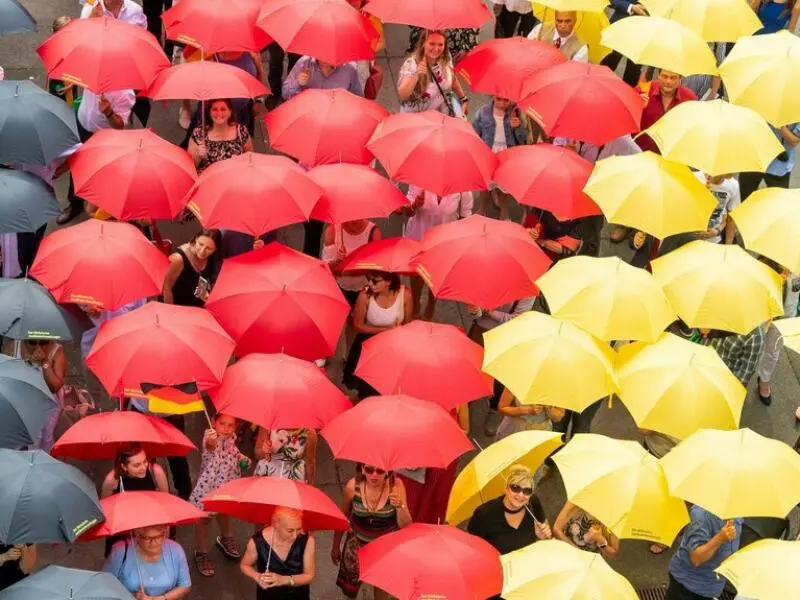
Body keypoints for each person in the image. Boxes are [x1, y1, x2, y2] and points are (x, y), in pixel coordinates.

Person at [333, 464, 412, 599]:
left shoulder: (396, 486)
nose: (374, 475)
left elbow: (406, 525)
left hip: (384, 550)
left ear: (388, 471)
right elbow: (342, 518)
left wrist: (400, 506)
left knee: (381, 591)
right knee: (350, 590)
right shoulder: (352, 487)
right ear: (362, 468)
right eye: (369, 469)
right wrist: (335, 546)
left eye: (380, 470)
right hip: (356, 547)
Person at [189, 413, 252, 577]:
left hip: (227, 485)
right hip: (209, 488)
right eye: (222, 423)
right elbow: (210, 446)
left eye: (231, 425)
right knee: (204, 519)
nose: (226, 428)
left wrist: (242, 459)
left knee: (224, 512)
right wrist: (211, 440)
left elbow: (234, 452)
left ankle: (226, 537)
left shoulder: (231, 438)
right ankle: (201, 552)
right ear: (213, 423)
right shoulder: (210, 438)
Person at [467, 298, 536, 436]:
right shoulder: (485, 278)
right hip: (481, 330)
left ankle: (494, 410)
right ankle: (463, 410)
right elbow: (477, 316)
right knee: (470, 373)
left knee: (498, 379)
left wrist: (491, 313)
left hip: (505, 336)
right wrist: (476, 311)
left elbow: (517, 321)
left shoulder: (527, 289)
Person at [403, 186, 473, 320]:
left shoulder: (463, 188)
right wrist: (414, 205)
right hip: (419, 239)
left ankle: (431, 305)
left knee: (435, 279)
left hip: (443, 244)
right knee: (417, 277)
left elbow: (465, 217)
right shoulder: (420, 181)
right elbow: (406, 210)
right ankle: (416, 307)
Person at [342, 271, 413, 399]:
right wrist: (386, 330)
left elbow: (408, 324)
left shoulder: (405, 295)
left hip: (394, 348)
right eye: (368, 279)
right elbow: (357, 325)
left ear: (388, 281)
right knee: (368, 389)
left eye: (375, 281)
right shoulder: (365, 295)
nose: (370, 284)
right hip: (369, 346)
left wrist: (399, 330)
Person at [396, 404, 469, 524]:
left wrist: (445, 431)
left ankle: (428, 527)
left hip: (444, 458)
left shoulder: (460, 402)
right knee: (411, 493)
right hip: (419, 454)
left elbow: (465, 431)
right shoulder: (417, 397)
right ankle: (406, 524)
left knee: (436, 496)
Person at [467, 465, 552, 559]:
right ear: (506, 489)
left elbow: (544, 524)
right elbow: (473, 546)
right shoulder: (484, 513)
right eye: (515, 488)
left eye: (527, 491)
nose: (521, 495)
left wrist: (540, 537)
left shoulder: (533, 503)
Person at [100, 446, 170, 556]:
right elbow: (104, 508)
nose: (143, 467)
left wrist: (166, 527)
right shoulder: (112, 480)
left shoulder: (155, 472)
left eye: (144, 461)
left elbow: (166, 502)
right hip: (123, 529)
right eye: (136, 465)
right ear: (124, 466)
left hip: (150, 527)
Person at [665, 506, 742, 600]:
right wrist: (720, 538)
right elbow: (696, 558)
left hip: (712, 586)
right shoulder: (701, 515)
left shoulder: (736, 513)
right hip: (688, 585)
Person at [472, 96, 528, 219]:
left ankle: (504, 212)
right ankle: (482, 209)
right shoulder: (483, 112)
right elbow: (475, 133)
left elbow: (523, 138)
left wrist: (517, 128)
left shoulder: (516, 113)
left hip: (506, 154)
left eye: (506, 100)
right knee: (486, 185)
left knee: (504, 187)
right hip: (489, 153)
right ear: (492, 96)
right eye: (499, 99)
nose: (502, 104)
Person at [240, 508, 315, 599]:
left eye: (298, 529)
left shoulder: (307, 540)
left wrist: (283, 580)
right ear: (275, 525)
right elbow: (245, 565)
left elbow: (309, 575)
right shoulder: (258, 541)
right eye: (290, 530)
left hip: (298, 595)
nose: (295, 536)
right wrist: (257, 576)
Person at [104, 525, 191, 599]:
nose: (153, 543)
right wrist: (131, 596)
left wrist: (162, 598)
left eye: (159, 536)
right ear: (137, 535)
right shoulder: (120, 551)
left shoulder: (176, 550)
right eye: (147, 538)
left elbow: (185, 585)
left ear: (165, 533)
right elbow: (105, 583)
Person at [756, 257, 799, 406]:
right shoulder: (766, 263)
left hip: (785, 318)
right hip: (762, 315)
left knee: (773, 352)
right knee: (752, 348)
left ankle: (764, 380)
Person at [397, 29, 469, 116]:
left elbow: (453, 80)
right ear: (423, 43)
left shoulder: (446, 59)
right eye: (432, 44)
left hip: (438, 114)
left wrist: (463, 99)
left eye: (440, 44)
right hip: (416, 118)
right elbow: (402, 95)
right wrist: (416, 75)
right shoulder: (412, 64)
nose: (436, 49)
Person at [321, 220, 382, 309]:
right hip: (338, 291)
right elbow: (326, 268)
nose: (355, 221)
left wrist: (344, 269)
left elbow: (378, 267)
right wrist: (337, 261)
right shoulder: (333, 230)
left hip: (365, 291)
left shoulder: (373, 231)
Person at [635, 69, 697, 155]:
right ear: (658, 75)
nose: (668, 81)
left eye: (673, 78)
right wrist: (637, 108)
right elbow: (625, 122)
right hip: (640, 153)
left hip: (671, 157)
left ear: (680, 78)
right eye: (664, 76)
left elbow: (693, 129)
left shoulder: (689, 98)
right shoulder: (643, 91)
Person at [22, 339, 66, 452]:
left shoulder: (57, 351)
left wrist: (45, 362)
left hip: (51, 405)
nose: (38, 346)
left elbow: (55, 386)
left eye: (43, 342)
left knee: (48, 439)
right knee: (32, 440)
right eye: (32, 342)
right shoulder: (20, 348)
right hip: (29, 403)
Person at [187, 99, 253, 173]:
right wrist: (198, 156)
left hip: (235, 180)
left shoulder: (241, 131)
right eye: (214, 109)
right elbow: (189, 168)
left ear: (230, 112)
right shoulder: (199, 133)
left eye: (223, 109)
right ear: (209, 112)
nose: (219, 113)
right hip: (208, 182)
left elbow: (251, 160)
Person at [739, 123, 800, 201]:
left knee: (778, 204)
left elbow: (794, 141)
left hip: (778, 167)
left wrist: (780, 125)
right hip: (753, 161)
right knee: (744, 201)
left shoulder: (796, 113)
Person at [162, 230, 220, 307]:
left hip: (199, 309)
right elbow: (166, 289)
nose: (202, 251)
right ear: (195, 239)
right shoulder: (178, 259)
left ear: (215, 250)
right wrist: (170, 313)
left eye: (208, 248)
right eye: (200, 244)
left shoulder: (211, 258)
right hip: (179, 309)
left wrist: (206, 294)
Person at [698, 326, 766, 388]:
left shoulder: (756, 336)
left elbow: (744, 376)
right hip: (699, 360)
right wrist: (701, 329)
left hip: (722, 378)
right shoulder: (718, 313)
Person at [495, 388, 565, 445]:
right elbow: (502, 408)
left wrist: (548, 406)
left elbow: (558, 417)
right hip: (514, 431)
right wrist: (526, 410)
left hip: (539, 435)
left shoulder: (556, 387)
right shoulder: (517, 380)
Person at [601, 1, 648, 86]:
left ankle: (626, 97)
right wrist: (631, 7)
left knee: (632, 73)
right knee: (606, 66)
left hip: (644, 33)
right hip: (620, 27)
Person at [553, 501, 620, 558]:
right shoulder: (578, 500)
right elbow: (556, 529)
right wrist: (580, 554)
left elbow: (613, 552)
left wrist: (601, 540)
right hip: (563, 552)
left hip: (585, 565)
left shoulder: (612, 517)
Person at [281, 56, 363, 101]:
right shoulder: (304, 63)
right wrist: (298, 83)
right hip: (308, 116)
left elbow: (358, 98)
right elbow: (285, 93)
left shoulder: (349, 69)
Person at [407, 27, 480, 63]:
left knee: (443, 77)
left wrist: (466, 48)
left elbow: (473, 23)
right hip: (427, 42)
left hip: (451, 49)